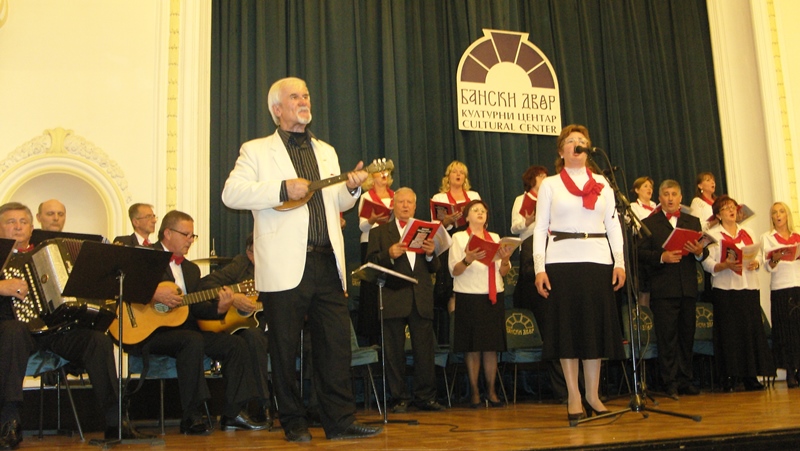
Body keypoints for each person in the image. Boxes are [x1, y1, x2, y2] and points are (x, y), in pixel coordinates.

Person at [221, 76, 382, 442]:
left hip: (327, 261)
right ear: (277, 109)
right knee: (284, 348)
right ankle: (293, 422)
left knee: (335, 346)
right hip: (283, 264)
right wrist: (281, 188)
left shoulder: (326, 151)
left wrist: (352, 187)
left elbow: (337, 202)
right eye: (295, 96)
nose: (304, 100)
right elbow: (232, 193)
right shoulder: (256, 150)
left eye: (306, 95)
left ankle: (339, 422)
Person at [0, 202, 150, 448]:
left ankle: (116, 422)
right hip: (14, 333)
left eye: (23, 222)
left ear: (31, 228)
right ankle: (10, 422)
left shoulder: (46, 253)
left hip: (54, 330)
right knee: (13, 331)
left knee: (97, 341)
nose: (18, 227)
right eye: (10, 222)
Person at [126, 210, 268, 435]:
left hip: (185, 330)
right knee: (191, 340)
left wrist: (220, 308)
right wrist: (154, 294)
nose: (190, 240)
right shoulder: (145, 257)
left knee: (235, 344)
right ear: (167, 233)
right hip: (149, 332)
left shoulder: (191, 270)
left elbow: (197, 308)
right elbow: (123, 287)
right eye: (186, 235)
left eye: (193, 236)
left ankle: (233, 413)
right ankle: (192, 415)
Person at [533, 124, 626, 422]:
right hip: (561, 262)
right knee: (568, 331)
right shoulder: (550, 185)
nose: (577, 144)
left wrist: (619, 262)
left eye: (582, 140)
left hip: (597, 261)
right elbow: (540, 228)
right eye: (571, 140)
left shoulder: (602, 183)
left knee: (593, 331)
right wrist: (539, 267)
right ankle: (574, 395)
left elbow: (613, 225)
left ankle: (593, 395)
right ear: (561, 151)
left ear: (588, 149)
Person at [365, 187, 445, 413]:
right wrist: (388, 254)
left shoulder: (424, 231)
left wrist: (430, 253)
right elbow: (370, 265)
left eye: (410, 202)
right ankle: (399, 397)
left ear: (415, 206)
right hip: (393, 297)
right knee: (394, 353)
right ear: (393, 204)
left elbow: (434, 267)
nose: (406, 206)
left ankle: (426, 397)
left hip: (420, 297)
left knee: (424, 351)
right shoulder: (380, 233)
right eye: (401, 202)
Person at [637, 180, 707, 398]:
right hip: (663, 289)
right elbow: (640, 253)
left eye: (674, 194)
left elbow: (703, 253)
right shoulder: (649, 223)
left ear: (680, 197)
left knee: (687, 336)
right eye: (666, 194)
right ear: (659, 198)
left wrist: (699, 251)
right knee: (667, 338)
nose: (670, 198)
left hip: (687, 288)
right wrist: (662, 257)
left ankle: (685, 380)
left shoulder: (692, 221)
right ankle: (669, 382)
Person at [196, 233, 272, 426]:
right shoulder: (240, 265)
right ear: (250, 254)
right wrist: (234, 297)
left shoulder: (279, 268)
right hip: (246, 329)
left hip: (274, 325)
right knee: (253, 337)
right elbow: (206, 284)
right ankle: (261, 405)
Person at [701, 195, 774, 391]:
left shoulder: (748, 232)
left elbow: (759, 254)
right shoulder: (712, 235)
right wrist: (724, 265)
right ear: (718, 215)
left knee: (750, 332)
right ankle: (731, 377)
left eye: (733, 207)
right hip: (725, 289)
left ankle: (751, 376)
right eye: (726, 208)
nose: (731, 210)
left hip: (749, 287)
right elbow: (706, 262)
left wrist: (756, 262)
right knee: (729, 334)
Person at [450, 199, 512, 408]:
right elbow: (454, 270)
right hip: (469, 295)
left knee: (491, 347)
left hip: (492, 295)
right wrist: (468, 259)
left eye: (483, 211)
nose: (480, 213)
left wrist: (505, 259)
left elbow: (503, 271)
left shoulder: (495, 237)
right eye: (475, 210)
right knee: (473, 347)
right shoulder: (459, 238)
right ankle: (475, 392)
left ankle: (492, 391)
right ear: (466, 217)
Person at [432, 160, 481, 326]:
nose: (458, 174)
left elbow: (481, 218)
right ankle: (455, 328)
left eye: (462, 172)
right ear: (448, 177)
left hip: (469, 240)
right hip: (448, 242)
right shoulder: (439, 198)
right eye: (455, 172)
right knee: (451, 290)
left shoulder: (473, 196)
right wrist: (445, 221)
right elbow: (434, 228)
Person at [761, 202, 800, 388]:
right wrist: (775, 260)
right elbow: (767, 266)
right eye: (774, 212)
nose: (778, 215)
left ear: (787, 215)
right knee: (786, 331)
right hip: (781, 288)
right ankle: (790, 371)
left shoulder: (797, 237)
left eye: (781, 211)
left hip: (798, 285)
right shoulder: (768, 238)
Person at [356, 168, 394, 345]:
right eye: (380, 172)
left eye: (386, 172)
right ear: (372, 177)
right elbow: (362, 227)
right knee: (371, 288)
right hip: (370, 243)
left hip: (389, 243)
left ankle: (389, 330)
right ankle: (372, 336)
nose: (384, 175)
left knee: (389, 286)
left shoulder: (395, 196)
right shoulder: (366, 197)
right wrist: (372, 220)